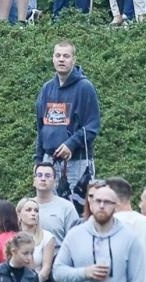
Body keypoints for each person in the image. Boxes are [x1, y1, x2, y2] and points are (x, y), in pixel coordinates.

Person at [35, 43, 101, 206]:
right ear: (53, 59)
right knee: (47, 209)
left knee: (78, 210)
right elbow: (40, 128)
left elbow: (93, 125)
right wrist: (38, 161)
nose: (61, 59)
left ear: (74, 60)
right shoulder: (47, 89)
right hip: (49, 162)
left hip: (77, 162)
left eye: (66, 56)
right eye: (58, 55)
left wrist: (71, 144)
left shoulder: (85, 87)